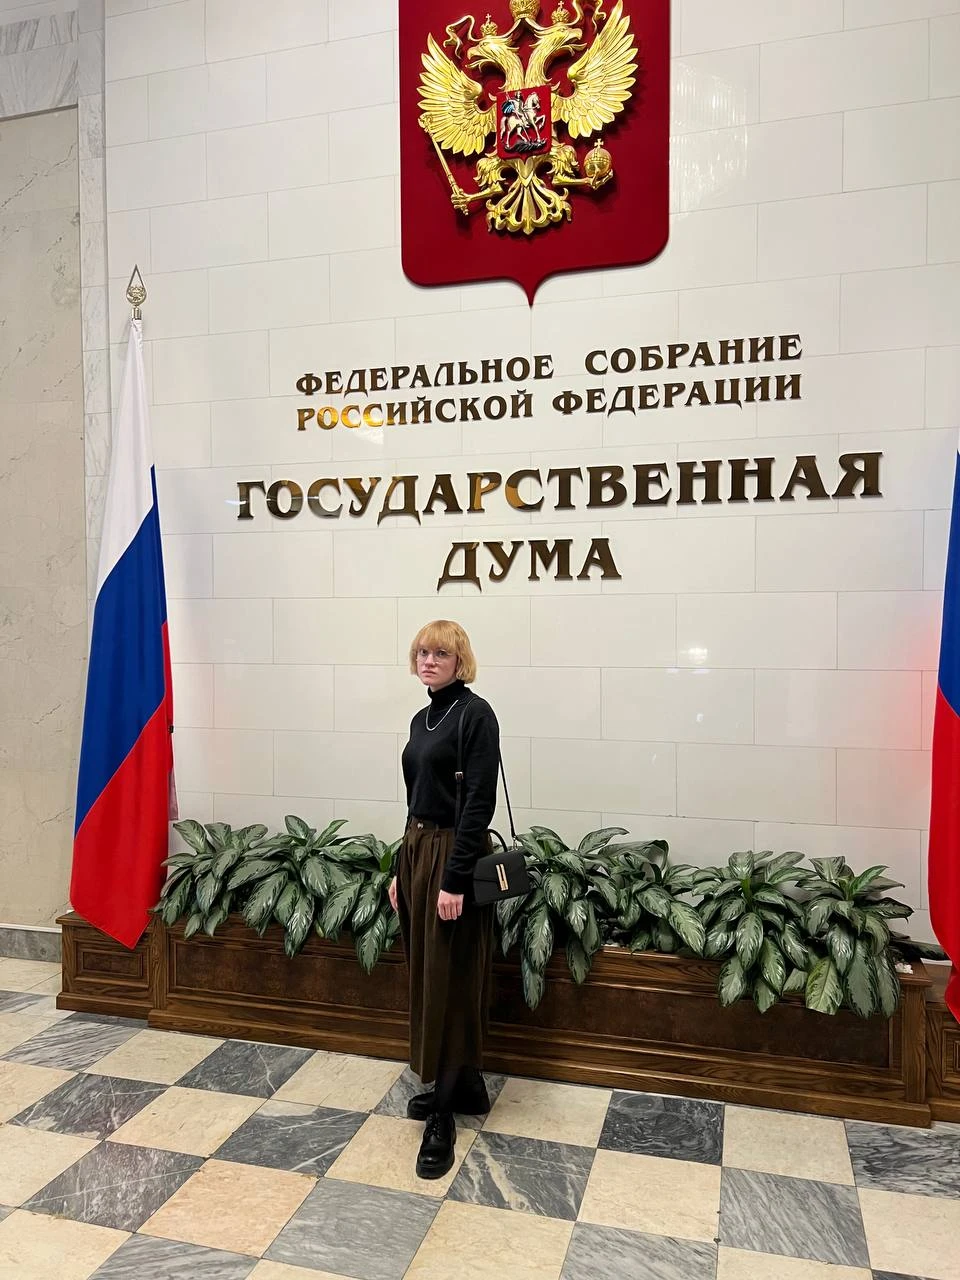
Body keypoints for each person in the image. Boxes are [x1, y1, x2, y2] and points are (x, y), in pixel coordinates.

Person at [388, 620, 499, 1179]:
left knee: (452, 977)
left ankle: (445, 1113)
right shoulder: (421, 718)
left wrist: (454, 880)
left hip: (454, 856)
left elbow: (478, 804)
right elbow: (416, 799)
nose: (428, 661)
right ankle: (465, 1085)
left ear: (460, 661)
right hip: (418, 853)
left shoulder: (476, 715)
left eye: (440, 654)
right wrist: (398, 868)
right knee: (429, 973)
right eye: (422, 653)